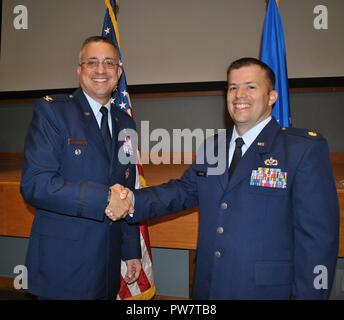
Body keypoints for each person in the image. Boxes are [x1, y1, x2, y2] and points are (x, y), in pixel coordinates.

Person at [107, 57, 339, 300]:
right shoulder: (213, 147)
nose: (239, 95)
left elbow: (318, 240)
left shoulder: (301, 149)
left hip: (266, 291)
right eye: (232, 87)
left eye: (251, 86)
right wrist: (131, 199)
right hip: (209, 286)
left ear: (272, 97)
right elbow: (182, 192)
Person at [20, 36, 141, 300]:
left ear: (118, 73)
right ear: (79, 70)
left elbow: (127, 188)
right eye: (92, 62)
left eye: (109, 63)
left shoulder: (126, 124)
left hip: (107, 265)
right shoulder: (53, 112)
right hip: (63, 265)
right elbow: (36, 184)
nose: (100, 70)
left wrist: (131, 249)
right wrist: (104, 198)